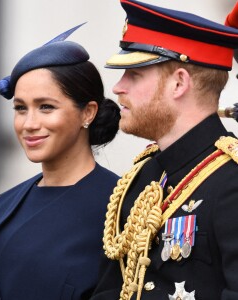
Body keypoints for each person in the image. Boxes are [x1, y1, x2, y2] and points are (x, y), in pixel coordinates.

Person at [90, 1, 238, 299]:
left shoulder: (232, 184)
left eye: (134, 74)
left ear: (179, 83)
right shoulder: (142, 177)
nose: (118, 87)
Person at [0, 26, 121, 300]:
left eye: (46, 107)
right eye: (20, 108)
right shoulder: (4, 203)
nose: (29, 124)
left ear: (87, 112)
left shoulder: (118, 205)